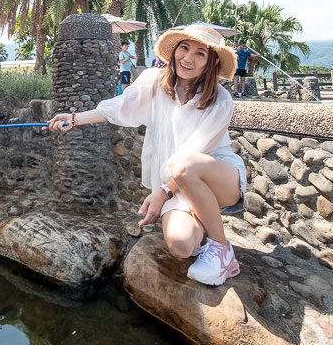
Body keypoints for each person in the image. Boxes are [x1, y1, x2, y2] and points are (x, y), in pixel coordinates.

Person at [47, 24, 246, 287]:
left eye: (200, 53)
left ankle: (223, 250)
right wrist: (73, 119)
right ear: (174, 50)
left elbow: (197, 153)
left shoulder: (220, 99)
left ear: (212, 61)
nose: (187, 58)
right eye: (184, 48)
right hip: (179, 186)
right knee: (180, 245)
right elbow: (119, 107)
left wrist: (162, 193)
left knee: (182, 164)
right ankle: (201, 231)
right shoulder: (155, 81)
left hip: (218, 179)